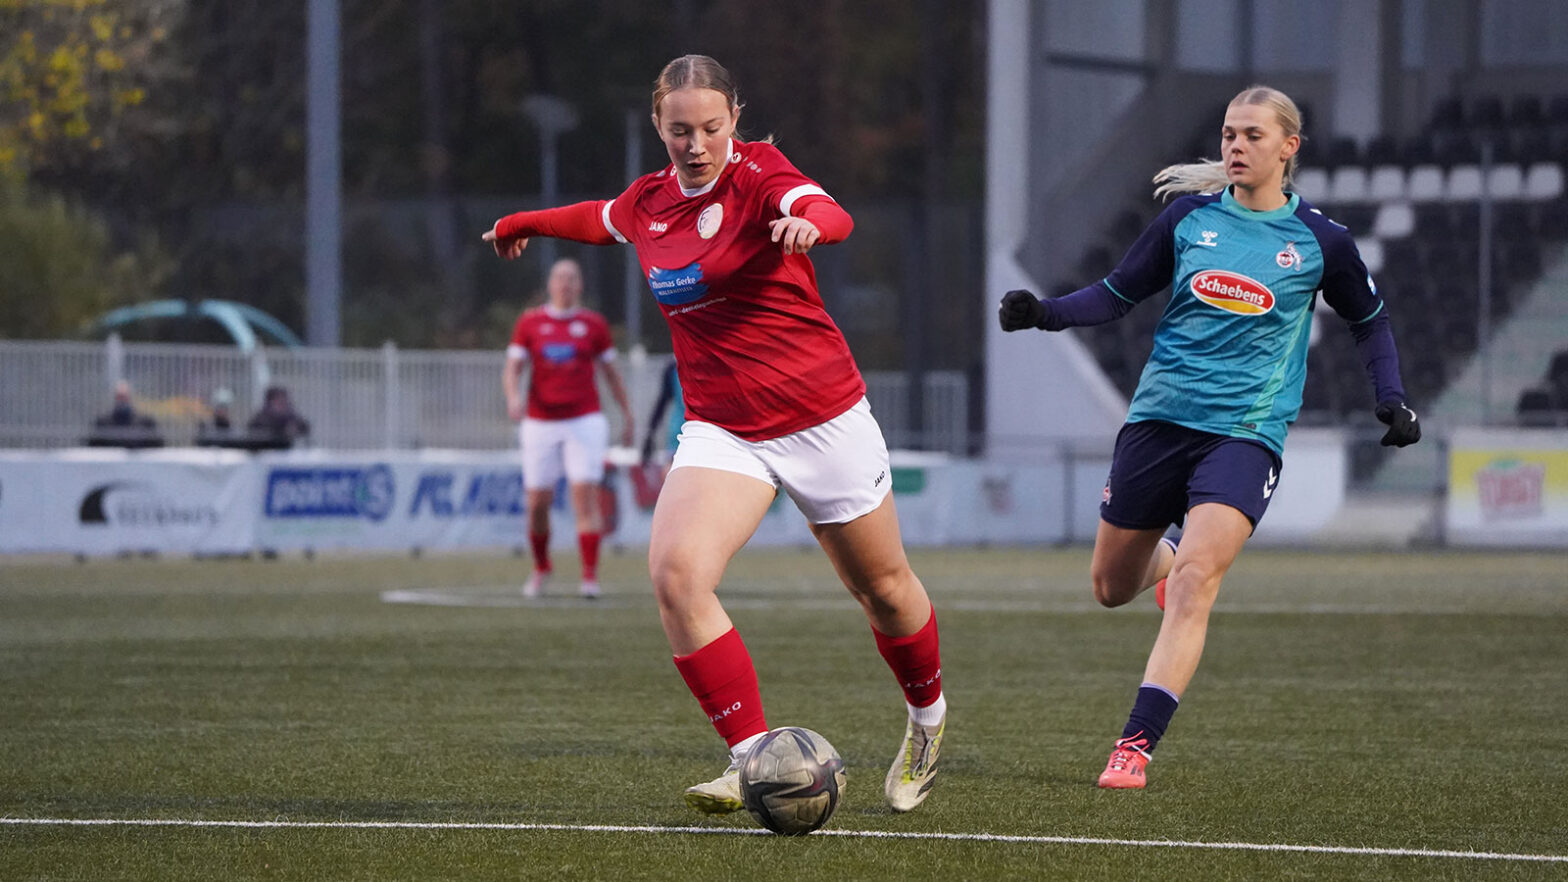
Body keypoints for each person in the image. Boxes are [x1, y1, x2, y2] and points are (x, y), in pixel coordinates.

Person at [482, 54, 947, 817]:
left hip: (822, 417)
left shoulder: (762, 176)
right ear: (658, 128)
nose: (695, 144)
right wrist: (521, 223)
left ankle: (927, 722)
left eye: (709, 127)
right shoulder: (650, 201)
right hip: (723, 429)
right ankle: (752, 757)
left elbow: (831, 211)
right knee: (675, 575)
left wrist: (809, 224)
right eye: (678, 131)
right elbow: (596, 218)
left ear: (734, 117)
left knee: (884, 592)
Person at [998, 85, 1422, 790]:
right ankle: (1166, 555)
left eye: (1253, 135)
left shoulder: (1321, 242)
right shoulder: (1190, 219)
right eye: (1229, 133)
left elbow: (1369, 321)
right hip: (1159, 421)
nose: (1235, 146)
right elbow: (1116, 293)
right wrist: (1043, 312)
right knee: (1110, 587)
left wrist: (1393, 398)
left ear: (1289, 146)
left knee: (1198, 582)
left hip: (1245, 435)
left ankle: (1134, 746)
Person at [503, 256, 635, 599]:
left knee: (585, 498)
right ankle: (541, 566)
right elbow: (513, 368)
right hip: (540, 421)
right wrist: (513, 398)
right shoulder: (530, 323)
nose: (565, 284)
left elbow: (610, 373)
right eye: (560, 278)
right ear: (550, 284)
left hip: (584, 420)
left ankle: (589, 577)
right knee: (537, 504)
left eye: (572, 278)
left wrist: (627, 414)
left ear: (580, 286)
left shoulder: (593, 325)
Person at [87, 379, 164, 448]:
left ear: (130, 397)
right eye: (120, 397)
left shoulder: (146, 422)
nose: (122, 400)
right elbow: (94, 447)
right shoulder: (103, 423)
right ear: (115, 398)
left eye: (125, 397)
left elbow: (157, 445)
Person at [246, 385, 311, 449]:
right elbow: (256, 432)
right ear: (270, 402)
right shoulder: (261, 418)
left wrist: (295, 428)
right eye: (278, 401)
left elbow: (304, 426)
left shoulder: (290, 416)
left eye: (284, 400)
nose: (283, 403)